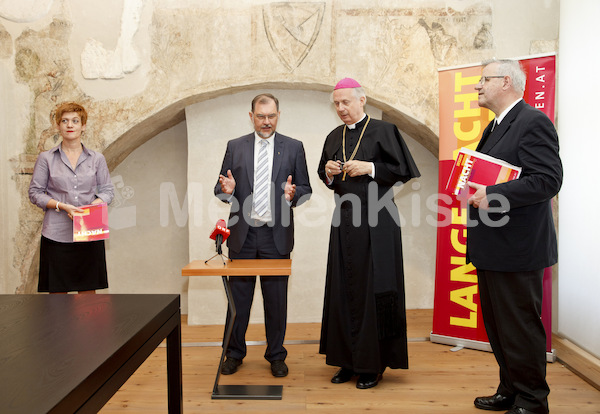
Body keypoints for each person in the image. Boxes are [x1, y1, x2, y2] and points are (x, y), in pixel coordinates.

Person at [468, 59, 562, 414]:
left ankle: (533, 400)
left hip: (518, 248)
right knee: (499, 328)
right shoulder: (494, 126)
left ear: (505, 81)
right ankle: (510, 389)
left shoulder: (533, 122)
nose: (478, 85)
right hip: (492, 246)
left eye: (483, 79)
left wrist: (492, 194)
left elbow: (547, 180)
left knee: (520, 328)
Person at [317, 78, 420, 389]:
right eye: (336, 104)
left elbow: (404, 170)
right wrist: (329, 173)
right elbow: (325, 173)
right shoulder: (334, 136)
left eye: (346, 102)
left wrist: (371, 168)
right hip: (345, 220)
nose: (341, 109)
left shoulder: (384, 131)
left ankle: (372, 365)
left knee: (374, 289)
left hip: (378, 219)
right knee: (343, 288)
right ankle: (347, 361)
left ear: (362, 100)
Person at [214, 93, 312, 377]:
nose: (266, 122)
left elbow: (305, 188)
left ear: (278, 115)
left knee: (276, 300)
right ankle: (233, 353)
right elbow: (220, 188)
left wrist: (294, 195)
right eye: (260, 116)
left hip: (276, 236)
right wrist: (227, 191)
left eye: (271, 116)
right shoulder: (236, 146)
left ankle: (276, 355)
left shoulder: (294, 147)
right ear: (251, 116)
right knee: (238, 301)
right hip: (243, 236)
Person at [29, 102, 114, 294]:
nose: (70, 125)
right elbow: (35, 193)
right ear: (58, 126)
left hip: (90, 231)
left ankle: (88, 327)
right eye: (65, 121)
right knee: (57, 299)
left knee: (88, 299)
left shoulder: (96, 158)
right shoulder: (46, 158)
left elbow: (108, 191)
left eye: (75, 121)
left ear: (83, 126)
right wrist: (62, 206)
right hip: (55, 235)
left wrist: (93, 206)